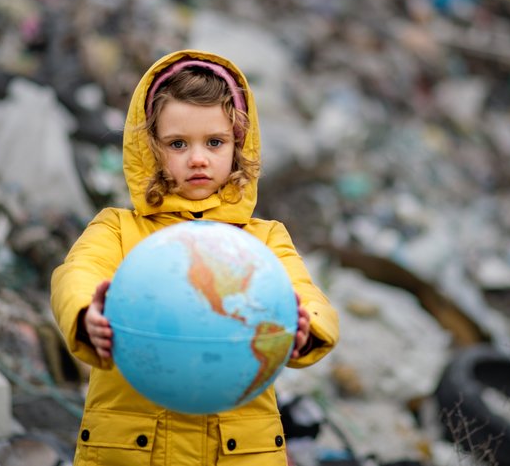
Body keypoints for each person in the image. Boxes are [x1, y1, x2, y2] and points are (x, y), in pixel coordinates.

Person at [51, 49, 339, 465]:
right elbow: (75, 273)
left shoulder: (264, 239)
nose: (198, 158)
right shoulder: (118, 228)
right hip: (130, 451)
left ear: (238, 145)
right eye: (178, 143)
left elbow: (307, 295)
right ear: (151, 147)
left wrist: (303, 327)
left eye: (215, 142)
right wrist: (85, 313)